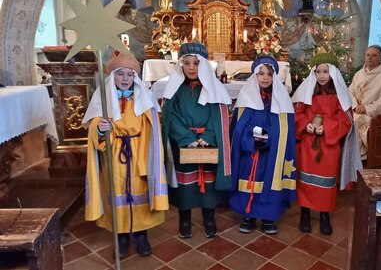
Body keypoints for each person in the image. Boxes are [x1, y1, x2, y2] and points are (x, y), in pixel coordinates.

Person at [82, 51, 168, 258]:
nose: (125, 79)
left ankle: (141, 235)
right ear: (112, 76)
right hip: (114, 157)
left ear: (135, 78)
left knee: (139, 198)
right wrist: (100, 128)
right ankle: (120, 237)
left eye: (130, 75)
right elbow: (94, 129)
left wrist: (146, 158)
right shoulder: (103, 101)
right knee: (118, 196)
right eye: (121, 74)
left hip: (138, 156)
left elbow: (152, 129)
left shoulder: (144, 100)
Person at [161, 42, 232, 239]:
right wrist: (186, 138)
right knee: (185, 185)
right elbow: (170, 116)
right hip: (183, 144)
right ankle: (185, 218)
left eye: (196, 63)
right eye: (187, 63)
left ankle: (209, 217)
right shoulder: (175, 90)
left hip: (207, 144)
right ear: (180, 66)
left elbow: (219, 114)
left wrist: (207, 136)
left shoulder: (213, 89)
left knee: (208, 185)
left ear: (204, 65)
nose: (192, 67)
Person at [291, 51, 362, 235]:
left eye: (325, 71)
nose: (322, 76)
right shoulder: (306, 92)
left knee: (326, 183)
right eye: (318, 72)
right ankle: (305, 214)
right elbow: (297, 114)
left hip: (329, 146)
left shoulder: (340, 95)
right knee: (305, 181)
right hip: (307, 145)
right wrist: (306, 125)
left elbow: (346, 119)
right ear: (313, 73)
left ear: (333, 73)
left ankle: (324, 215)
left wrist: (328, 127)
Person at [229, 55, 296, 234]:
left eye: (269, 74)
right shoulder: (245, 99)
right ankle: (248, 215)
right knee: (249, 180)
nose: (265, 78)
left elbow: (284, 129)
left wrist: (266, 138)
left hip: (272, 154)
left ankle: (268, 217)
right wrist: (254, 140)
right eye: (261, 74)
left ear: (274, 76)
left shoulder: (282, 101)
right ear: (254, 76)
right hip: (250, 152)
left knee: (270, 181)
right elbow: (239, 129)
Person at [348, 45, 381, 159]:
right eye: (368, 55)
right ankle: (346, 154)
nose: (370, 58)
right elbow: (350, 92)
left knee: (355, 120)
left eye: (374, 55)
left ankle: (358, 156)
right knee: (345, 118)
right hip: (356, 111)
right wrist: (355, 105)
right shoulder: (359, 74)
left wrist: (366, 108)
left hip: (372, 115)